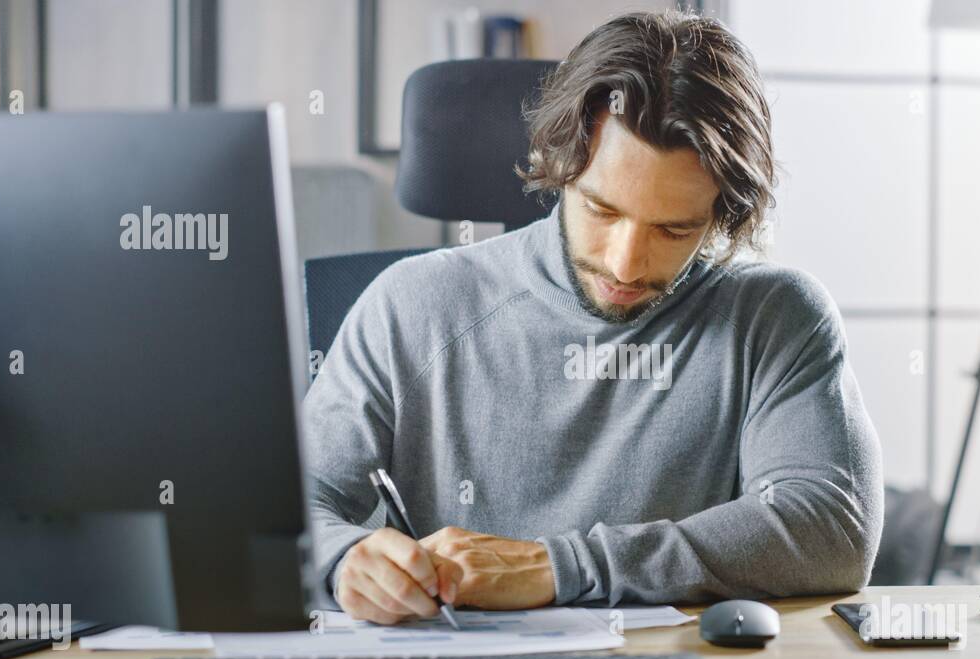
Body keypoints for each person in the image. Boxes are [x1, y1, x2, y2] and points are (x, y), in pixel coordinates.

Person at [303, 10, 884, 623]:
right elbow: (281, 515)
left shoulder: (775, 317)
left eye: (674, 227)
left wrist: (561, 568)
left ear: (723, 215)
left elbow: (831, 524)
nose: (626, 264)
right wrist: (343, 559)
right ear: (562, 165)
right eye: (602, 210)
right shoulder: (410, 304)